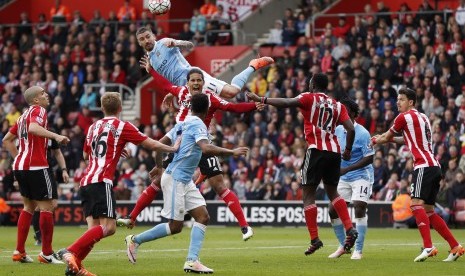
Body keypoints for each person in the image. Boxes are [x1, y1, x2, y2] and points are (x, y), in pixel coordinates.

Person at [117, 61, 262, 241]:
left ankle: (244, 226)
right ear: (187, 83)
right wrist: (151, 70)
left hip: (202, 144)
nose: (195, 83)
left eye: (199, 80)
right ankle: (131, 217)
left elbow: (233, 107)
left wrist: (254, 106)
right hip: (182, 145)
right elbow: (164, 84)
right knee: (159, 180)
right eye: (192, 80)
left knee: (219, 184)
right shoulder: (181, 92)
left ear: (203, 82)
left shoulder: (210, 97)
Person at [56, 92, 181, 275]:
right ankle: (70, 252)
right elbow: (152, 144)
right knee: (109, 228)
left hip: (86, 181)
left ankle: (77, 266)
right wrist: (173, 148)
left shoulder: (92, 127)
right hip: (101, 181)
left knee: (94, 231)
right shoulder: (122, 126)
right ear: (120, 108)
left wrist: (114, 149)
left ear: (101, 108)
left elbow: (85, 155)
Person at [125, 93, 249, 273]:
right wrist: (232, 152)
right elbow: (206, 148)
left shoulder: (183, 123)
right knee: (175, 226)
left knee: (203, 216)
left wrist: (160, 167)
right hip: (176, 179)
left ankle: (192, 261)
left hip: (183, 179)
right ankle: (135, 240)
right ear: (207, 110)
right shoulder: (198, 124)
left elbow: (159, 144)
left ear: (190, 107)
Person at [247, 73, 358, 255]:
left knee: (308, 194)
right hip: (334, 152)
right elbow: (351, 128)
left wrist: (262, 99)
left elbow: (287, 102)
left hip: (316, 150)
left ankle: (315, 239)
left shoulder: (308, 98)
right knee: (333, 192)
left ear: (313, 84)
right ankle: (349, 228)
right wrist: (347, 150)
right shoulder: (337, 105)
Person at [372, 87, 464, 262]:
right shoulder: (423, 117)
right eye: (397, 99)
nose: (397, 102)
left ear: (411, 102)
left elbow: (385, 138)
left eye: (401, 99)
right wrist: (388, 138)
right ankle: (455, 246)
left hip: (423, 166)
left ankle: (428, 247)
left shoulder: (403, 117)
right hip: (434, 166)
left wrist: (376, 139)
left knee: (415, 205)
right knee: (429, 211)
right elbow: (407, 139)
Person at [2, 86, 70, 264]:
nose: (46, 94)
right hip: (37, 166)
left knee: (28, 208)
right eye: (42, 93)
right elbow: (33, 128)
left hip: (21, 166)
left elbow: (6, 140)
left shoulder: (22, 116)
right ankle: (46, 254)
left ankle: (20, 252)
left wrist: (20, 157)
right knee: (46, 208)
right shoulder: (39, 111)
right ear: (35, 100)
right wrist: (56, 136)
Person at [135, 26, 274, 99]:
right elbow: (170, 78)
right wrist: (172, 94)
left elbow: (190, 45)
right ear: (139, 42)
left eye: (148, 36)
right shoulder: (150, 62)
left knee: (231, 93)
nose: (146, 40)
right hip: (185, 90)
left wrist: (176, 42)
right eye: (142, 39)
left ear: (153, 35)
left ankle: (253, 65)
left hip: (195, 78)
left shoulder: (164, 43)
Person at [328, 98, 374, 260]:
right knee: (332, 210)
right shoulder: (338, 130)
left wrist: (347, 168)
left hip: (361, 175)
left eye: (346, 110)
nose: (342, 113)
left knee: (359, 206)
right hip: (343, 176)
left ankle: (358, 250)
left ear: (353, 114)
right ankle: (344, 246)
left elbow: (369, 158)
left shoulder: (363, 133)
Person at [32, 138, 70, 246]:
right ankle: (39, 236)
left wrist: (64, 170)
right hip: (35, 171)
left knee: (53, 204)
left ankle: (45, 236)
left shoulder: (50, 134)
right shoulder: (33, 132)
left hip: (48, 172)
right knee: (37, 206)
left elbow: (58, 153)